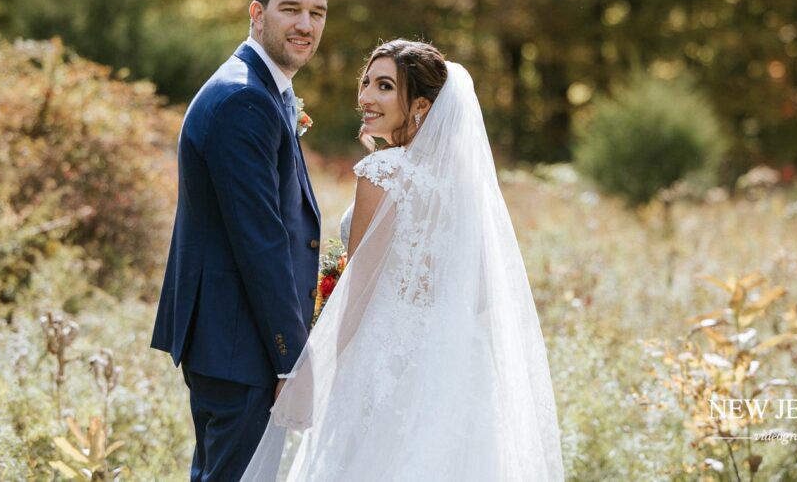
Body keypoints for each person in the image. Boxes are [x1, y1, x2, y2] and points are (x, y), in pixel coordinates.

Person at [241, 40, 565, 481]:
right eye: (367, 83)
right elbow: (482, 292)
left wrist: (328, 369)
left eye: (385, 86)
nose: (366, 97)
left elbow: (358, 288)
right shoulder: (464, 183)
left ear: (421, 107)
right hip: (461, 361)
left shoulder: (381, 173)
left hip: (384, 358)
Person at [151, 0, 327, 482]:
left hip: (233, 340)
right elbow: (261, 242)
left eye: (317, 13)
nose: (305, 25)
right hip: (240, 345)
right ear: (257, 12)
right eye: (290, 9)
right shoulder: (245, 100)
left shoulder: (259, 89)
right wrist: (290, 360)